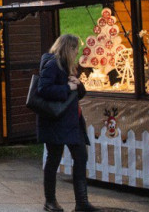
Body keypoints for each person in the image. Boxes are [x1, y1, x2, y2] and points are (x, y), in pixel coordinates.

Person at [38, 34, 97, 212]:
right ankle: (50, 201)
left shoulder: (68, 66)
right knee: (54, 159)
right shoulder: (52, 64)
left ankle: (82, 202)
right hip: (56, 120)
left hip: (72, 120)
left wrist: (77, 84)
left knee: (80, 157)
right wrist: (67, 87)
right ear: (68, 49)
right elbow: (43, 89)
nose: (77, 53)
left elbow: (79, 93)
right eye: (75, 49)